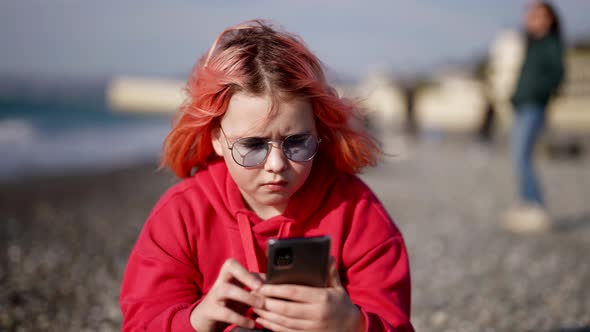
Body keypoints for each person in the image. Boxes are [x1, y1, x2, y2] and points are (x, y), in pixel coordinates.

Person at [119, 20, 414, 332]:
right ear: (217, 139)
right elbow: (141, 323)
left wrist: (352, 324)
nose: (276, 163)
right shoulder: (182, 215)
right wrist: (196, 320)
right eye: (253, 145)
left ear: (319, 131)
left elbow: (395, 322)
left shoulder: (356, 211)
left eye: (297, 143)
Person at [502, 1, 565, 233]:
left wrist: (538, 94)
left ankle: (535, 206)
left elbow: (558, 73)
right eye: (530, 15)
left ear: (549, 19)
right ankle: (525, 202)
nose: (533, 20)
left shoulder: (549, 43)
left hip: (533, 106)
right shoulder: (532, 44)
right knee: (518, 156)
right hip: (523, 105)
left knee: (522, 156)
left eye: (539, 15)